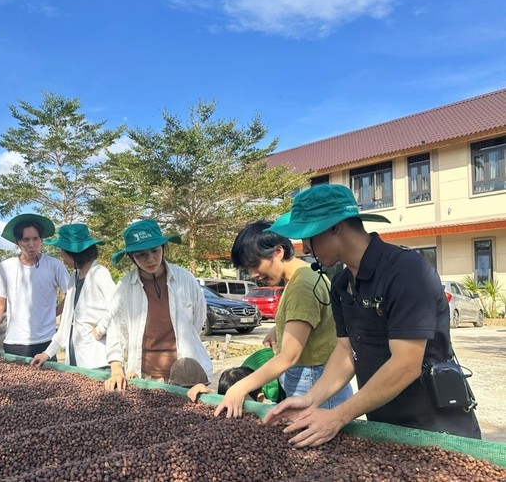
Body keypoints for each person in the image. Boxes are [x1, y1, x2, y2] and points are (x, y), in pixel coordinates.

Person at [263, 184, 480, 446]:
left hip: (436, 426)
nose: (306, 249)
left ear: (335, 226)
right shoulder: (342, 284)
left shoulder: (406, 271)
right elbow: (345, 350)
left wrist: (338, 416)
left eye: (308, 237)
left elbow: (405, 365)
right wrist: (312, 398)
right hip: (383, 421)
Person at [211, 221, 352, 418]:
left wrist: (240, 387)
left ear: (278, 252)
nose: (253, 274)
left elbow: (289, 356)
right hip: (316, 379)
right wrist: (279, 328)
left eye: (255, 264)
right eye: (247, 269)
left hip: (313, 381)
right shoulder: (304, 274)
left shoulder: (301, 285)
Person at [103, 219, 213, 391]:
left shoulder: (185, 279)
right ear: (132, 257)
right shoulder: (124, 287)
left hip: (187, 373)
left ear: (163, 248)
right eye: (141, 255)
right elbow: (116, 330)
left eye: (155, 251)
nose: (151, 259)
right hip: (146, 374)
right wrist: (116, 368)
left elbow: (197, 319)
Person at [0, 214, 68, 358]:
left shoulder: (54, 265)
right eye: (26, 240)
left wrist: (53, 313)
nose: (31, 244)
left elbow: (69, 295)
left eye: (35, 239)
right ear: (17, 242)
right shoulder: (5, 267)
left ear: (41, 239)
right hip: (15, 341)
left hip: (46, 342)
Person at [30, 224, 115, 369]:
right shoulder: (73, 277)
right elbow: (66, 323)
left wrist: (99, 330)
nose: (62, 257)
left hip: (97, 360)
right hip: (75, 360)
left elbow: (117, 306)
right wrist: (47, 353)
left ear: (74, 253)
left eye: (63, 252)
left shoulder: (100, 273)